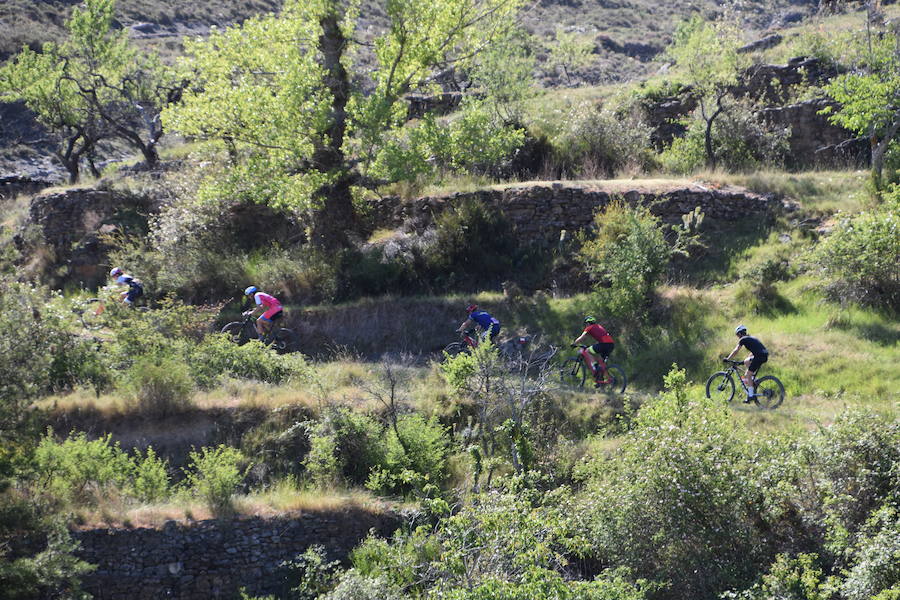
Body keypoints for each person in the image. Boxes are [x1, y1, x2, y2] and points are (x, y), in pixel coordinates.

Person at [724, 324, 769, 401]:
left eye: (737, 335)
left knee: (748, 374)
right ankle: (753, 381)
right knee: (747, 361)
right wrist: (743, 361)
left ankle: (751, 396)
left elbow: (736, 350)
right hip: (763, 355)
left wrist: (728, 358)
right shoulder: (751, 338)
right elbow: (754, 351)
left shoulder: (743, 339)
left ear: (740, 333)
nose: (737, 337)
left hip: (759, 356)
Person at [572, 316, 615, 386]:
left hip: (604, 344)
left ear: (588, 323)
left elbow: (582, 337)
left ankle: (595, 366)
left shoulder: (589, 327)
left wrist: (574, 343)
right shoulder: (598, 326)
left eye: (586, 324)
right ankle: (601, 380)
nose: (586, 325)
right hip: (611, 345)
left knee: (587, 351)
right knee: (601, 363)